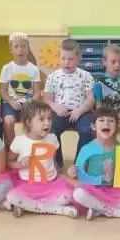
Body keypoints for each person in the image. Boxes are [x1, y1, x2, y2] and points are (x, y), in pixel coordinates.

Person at [69, 107, 120, 220]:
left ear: (117, 126)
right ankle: (117, 211)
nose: (106, 123)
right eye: (101, 120)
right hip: (93, 191)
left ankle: (99, 209)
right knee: (78, 194)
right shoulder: (86, 149)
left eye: (111, 121)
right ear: (93, 126)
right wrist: (72, 173)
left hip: (117, 191)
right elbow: (79, 175)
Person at [6, 100, 77, 218]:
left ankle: (28, 206)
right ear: (29, 122)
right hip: (26, 184)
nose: (47, 123)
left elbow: (53, 164)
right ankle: (57, 210)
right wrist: (20, 164)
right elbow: (8, 163)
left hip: (49, 184)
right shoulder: (19, 141)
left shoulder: (53, 139)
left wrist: (66, 175)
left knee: (69, 194)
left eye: (49, 119)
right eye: (42, 119)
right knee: (12, 196)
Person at [45, 39, 95, 167]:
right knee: (51, 129)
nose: (67, 62)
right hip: (60, 112)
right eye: (63, 58)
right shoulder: (52, 77)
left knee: (87, 130)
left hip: (81, 112)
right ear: (59, 58)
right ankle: (57, 161)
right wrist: (56, 107)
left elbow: (91, 99)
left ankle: (80, 163)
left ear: (79, 58)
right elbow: (48, 99)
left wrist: (79, 110)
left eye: (71, 59)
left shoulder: (86, 75)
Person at [0, 32, 41, 148]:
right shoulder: (7, 68)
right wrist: (11, 101)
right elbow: (3, 91)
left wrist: (30, 102)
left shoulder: (34, 69)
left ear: (28, 48)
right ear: (11, 50)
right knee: (8, 121)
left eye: (23, 46)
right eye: (16, 46)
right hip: (10, 102)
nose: (20, 50)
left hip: (28, 103)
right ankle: (12, 149)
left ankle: (29, 147)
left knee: (33, 122)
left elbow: (37, 93)